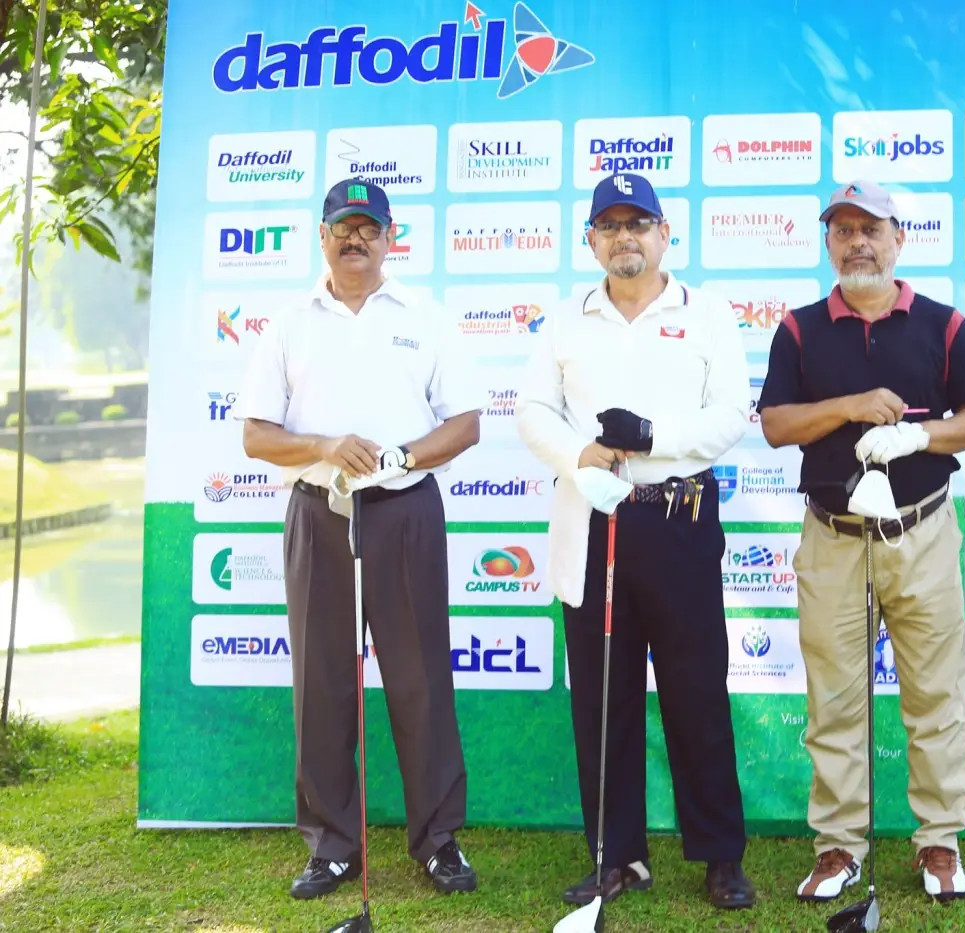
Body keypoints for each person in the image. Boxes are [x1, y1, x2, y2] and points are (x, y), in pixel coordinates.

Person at [235, 177, 484, 901]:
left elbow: (465, 425)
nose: (355, 239)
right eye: (343, 227)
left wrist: (399, 457)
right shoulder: (288, 324)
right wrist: (324, 445)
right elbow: (256, 436)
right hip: (319, 513)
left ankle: (437, 840)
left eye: (369, 228)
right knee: (321, 682)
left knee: (420, 680)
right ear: (322, 237)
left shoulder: (425, 317)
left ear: (390, 237)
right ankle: (332, 845)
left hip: (404, 512)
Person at [515, 172, 756, 910]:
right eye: (610, 225)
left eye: (638, 223)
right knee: (603, 696)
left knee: (696, 694)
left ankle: (719, 855)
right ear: (590, 240)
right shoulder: (564, 321)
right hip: (595, 519)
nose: (626, 237)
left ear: (664, 234)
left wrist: (653, 438)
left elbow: (731, 414)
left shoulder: (708, 314)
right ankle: (616, 855)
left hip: (680, 518)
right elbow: (532, 410)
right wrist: (578, 454)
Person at [756, 180, 965, 905]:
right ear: (829, 242)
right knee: (834, 700)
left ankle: (939, 841)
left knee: (937, 694)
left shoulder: (943, 324)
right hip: (833, 536)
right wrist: (850, 407)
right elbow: (776, 424)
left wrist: (920, 436)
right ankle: (839, 846)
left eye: (872, 229)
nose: (858, 241)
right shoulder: (799, 329)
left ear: (899, 239)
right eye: (844, 230)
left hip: (921, 530)